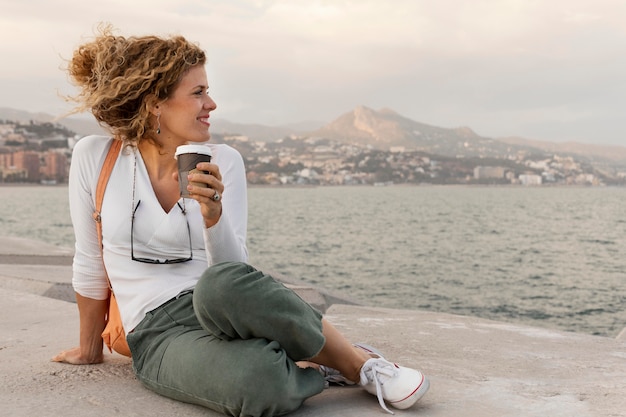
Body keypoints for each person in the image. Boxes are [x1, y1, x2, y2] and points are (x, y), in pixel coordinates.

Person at [52, 25, 429, 416]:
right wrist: (89, 348)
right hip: (156, 333)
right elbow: (89, 259)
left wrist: (213, 215)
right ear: (155, 104)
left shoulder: (224, 160)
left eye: (208, 91)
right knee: (259, 386)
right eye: (197, 93)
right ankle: (309, 364)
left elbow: (237, 272)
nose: (211, 104)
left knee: (222, 282)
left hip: (218, 303)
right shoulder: (96, 157)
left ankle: (360, 365)